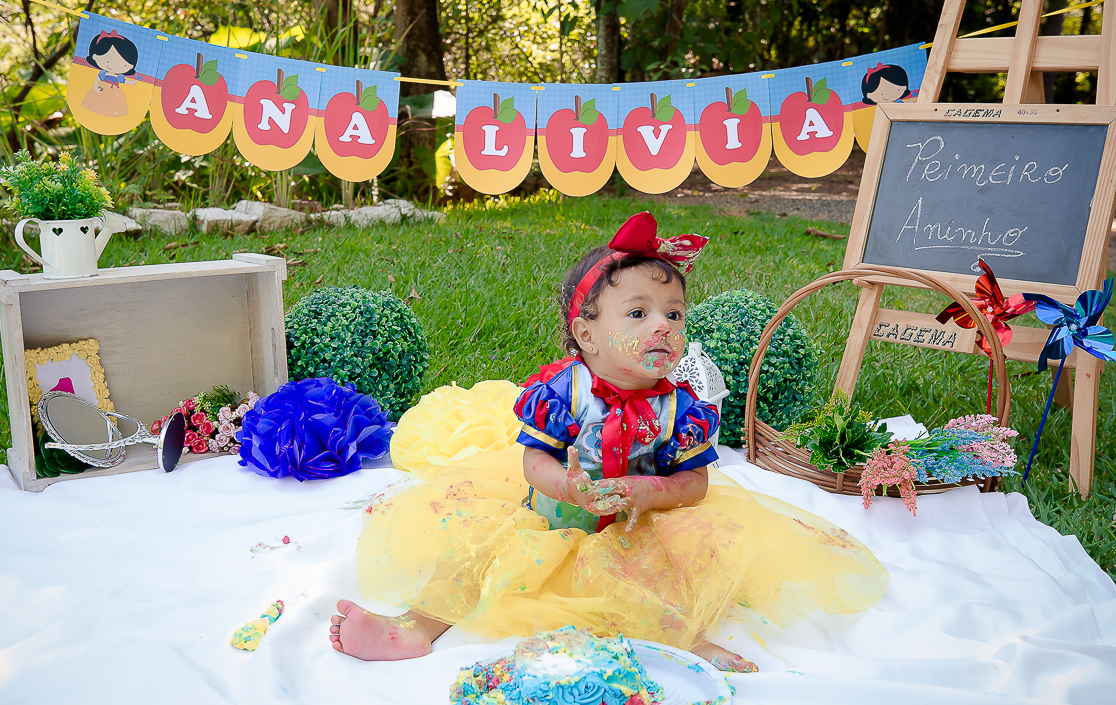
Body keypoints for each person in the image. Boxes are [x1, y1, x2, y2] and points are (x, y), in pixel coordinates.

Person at [330, 212, 888, 672]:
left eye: (673, 313)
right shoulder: (562, 391)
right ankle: (413, 628)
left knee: (661, 576)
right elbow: (533, 461)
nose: (663, 326)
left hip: (636, 525)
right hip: (548, 517)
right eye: (639, 313)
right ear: (587, 332)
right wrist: (567, 486)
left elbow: (694, 484)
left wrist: (650, 493)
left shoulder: (679, 408)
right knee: (472, 558)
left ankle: (688, 643)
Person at [80, 30, 140, 118]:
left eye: (123, 64)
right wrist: (96, 88)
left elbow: (124, 81)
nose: (111, 65)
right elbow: (97, 80)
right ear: (95, 57)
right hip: (102, 89)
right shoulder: (103, 73)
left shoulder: (119, 76)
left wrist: (132, 82)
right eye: (107, 61)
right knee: (96, 103)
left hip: (114, 92)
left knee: (112, 105)